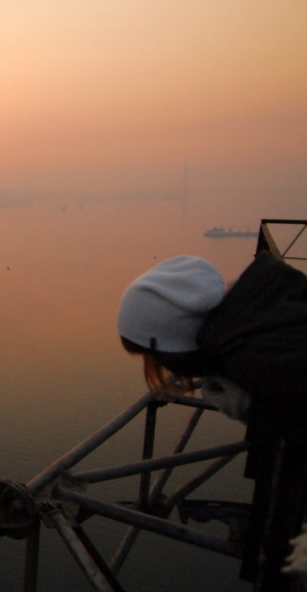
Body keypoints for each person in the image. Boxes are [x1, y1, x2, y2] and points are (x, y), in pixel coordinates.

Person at [117, 250, 307, 589]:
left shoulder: (261, 360)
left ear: (173, 343)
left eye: (151, 354)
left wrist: (258, 400)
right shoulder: (265, 306)